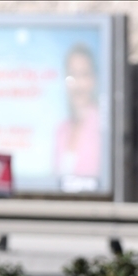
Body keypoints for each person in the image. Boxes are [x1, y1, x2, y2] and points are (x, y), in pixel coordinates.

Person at [54, 43, 101, 180]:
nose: (78, 84)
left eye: (84, 74)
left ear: (94, 79)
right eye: (72, 75)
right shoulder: (61, 131)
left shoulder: (103, 125)